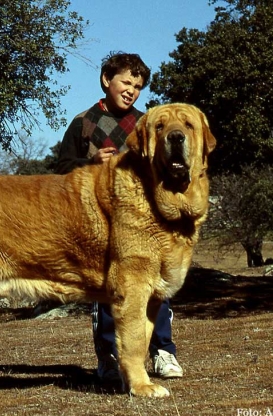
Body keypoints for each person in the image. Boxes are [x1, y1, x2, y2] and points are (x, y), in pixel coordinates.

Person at [55, 52, 183, 383]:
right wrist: (92, 163)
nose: (131, 91)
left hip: (143, 224)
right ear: (106, 80)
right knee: (110, 294)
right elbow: (60, 170)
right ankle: (109, 359)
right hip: (98, 223)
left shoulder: (146, 125)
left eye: (138, 86)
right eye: (126, 82)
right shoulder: (83, 122)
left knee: (155, 289)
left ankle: (162, 352)